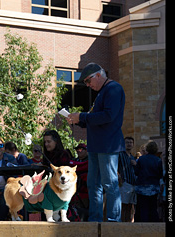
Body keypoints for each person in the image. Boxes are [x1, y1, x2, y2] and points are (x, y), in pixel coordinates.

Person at [66, 62, 125, 222]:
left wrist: (82, 117)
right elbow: (94, 119)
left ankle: (113, 222)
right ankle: (95, 221)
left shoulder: (113, 89)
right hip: (96, 146)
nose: (87, 85)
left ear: (98, 75)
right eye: (85, 82)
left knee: (109, 184)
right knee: (94, 185)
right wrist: (77, 119)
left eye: (88, 80)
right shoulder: (102, 92)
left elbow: (108, 116)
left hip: (107, 145)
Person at [134, 141, 163, 222]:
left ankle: (143, 226)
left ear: (147, 149)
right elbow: (160, 174)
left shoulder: (141, 159)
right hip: (154, 186)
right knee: (153, 208)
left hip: (141, 186)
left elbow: (136, 172)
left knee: (142, 208)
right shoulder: (158, 160)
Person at [118, 137, 136, 222]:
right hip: (124, 183)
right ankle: (122, 224)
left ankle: (128, 225)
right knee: (123, 206)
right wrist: (118, 176)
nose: (129, 144)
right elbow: (115, 167)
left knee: (130, 206)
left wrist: (136, 164)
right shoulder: (120, 154)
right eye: (127, 142)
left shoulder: (132, 156)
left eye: (131, 142)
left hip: (132, 184)